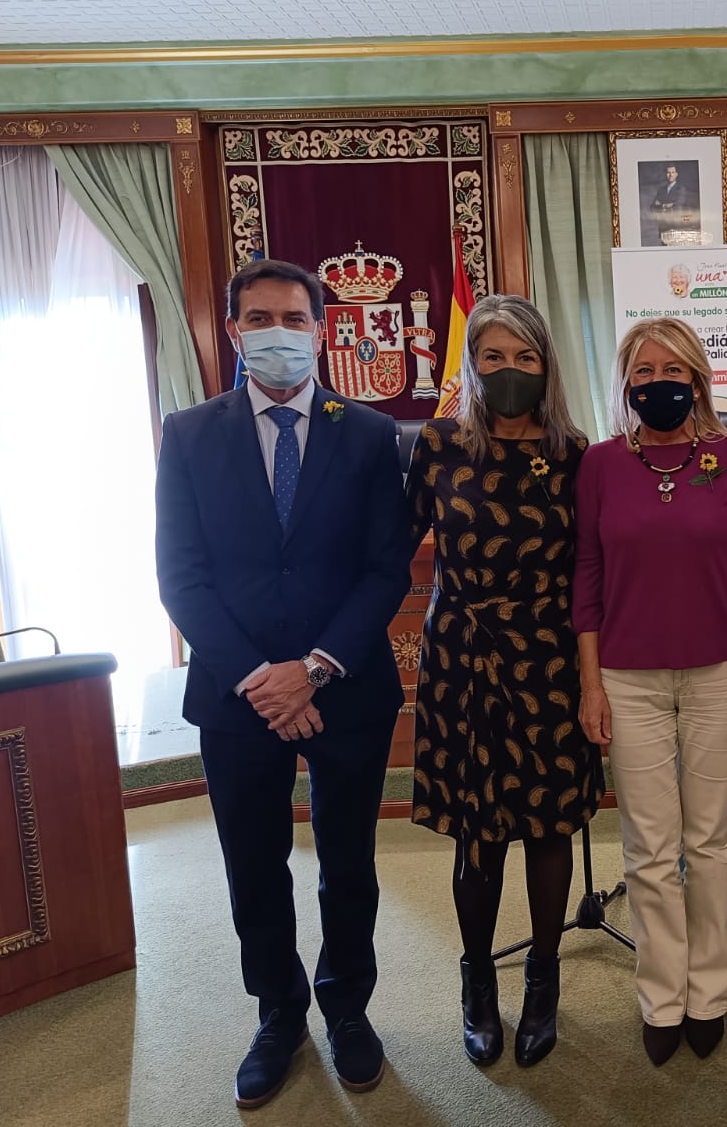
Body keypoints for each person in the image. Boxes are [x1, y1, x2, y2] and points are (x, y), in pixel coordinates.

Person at [155, 258, 412, 1108]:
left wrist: (313, 669)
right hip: (237, 698)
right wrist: (258, 680)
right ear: (234, 332)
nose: (278, 333)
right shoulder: (189, 434)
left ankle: (348, 1007)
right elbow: (181, 575)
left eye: (294, 319)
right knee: (254, 863)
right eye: (259, 319)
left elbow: (385, 569)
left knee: (349, 861)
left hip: (345, 687)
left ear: (320, 331)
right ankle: (278, 1013)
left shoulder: (371, 434)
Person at [404, 295, 602, 1069]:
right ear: (472, 365)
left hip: (548, 659)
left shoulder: (575, 453)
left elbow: (591, 569)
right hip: (462, 659)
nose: (509, 370)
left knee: (550, 827)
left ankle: (543, 979)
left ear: (546, 365)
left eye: (525, 357)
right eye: (493, 356)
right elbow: (392, 546)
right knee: (478, 833)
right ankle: (478, 981)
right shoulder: (438, 444)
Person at [574, 317, 727, 1066]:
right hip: (626, 680)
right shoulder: (600, 464)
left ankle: (709, 992)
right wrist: (590, 683)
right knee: (649, 848)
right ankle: (661, 996)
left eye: (673, 369)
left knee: (712, 844)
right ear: (625, 383)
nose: (657, 381)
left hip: (720, 674)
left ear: (697, 379)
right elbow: (587, 575)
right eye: (643, 370)